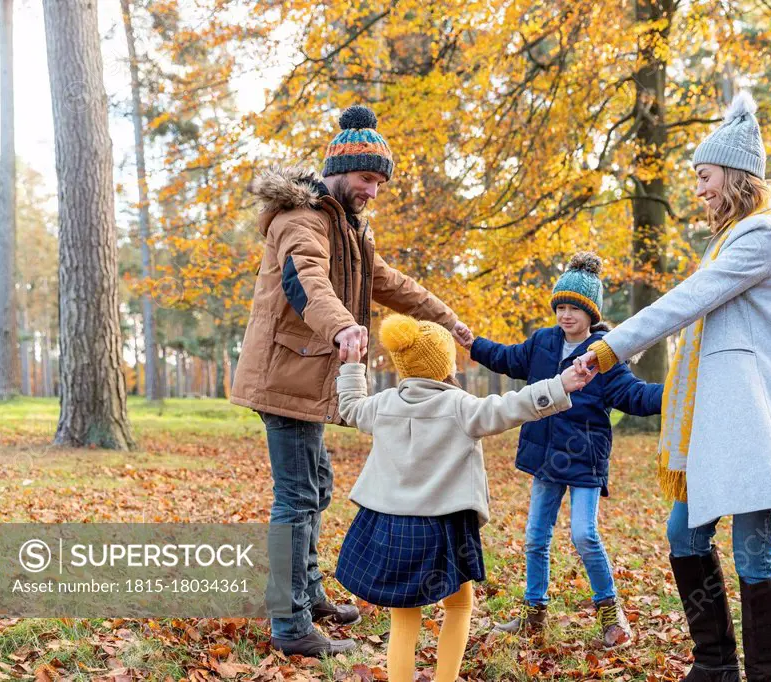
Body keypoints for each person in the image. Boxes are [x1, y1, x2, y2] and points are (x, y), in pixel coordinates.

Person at [576, 92, 771, 682]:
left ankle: (761, 674)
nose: (698, 190)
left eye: (705, 177)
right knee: (683, 531)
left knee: (752, 549)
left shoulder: (765, 235)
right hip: (726, 428)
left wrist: (608, 347)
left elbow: (689, 300)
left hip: (761, 425)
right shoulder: (731, 238)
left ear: (735, 175)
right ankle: (715, 664)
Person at [230, 105, 473, 657]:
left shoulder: (350, 230)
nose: (374, 191)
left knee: (316, 489)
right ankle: (290, 625)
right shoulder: (304, 220)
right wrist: (343, 327)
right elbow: (305, 279)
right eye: (368, 178)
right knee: (296, 498)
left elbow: (392, 283)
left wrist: (446, 318)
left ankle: (309, 596)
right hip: (285, 373)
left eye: (381, 182)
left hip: (306, 375)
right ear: (340, 170)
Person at [333, 314, 595, 681]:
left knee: (403, 616)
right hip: (443, 526)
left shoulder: (384, 404)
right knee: (458, 605)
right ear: (444, 365)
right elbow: (511, 407)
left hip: (391, 526)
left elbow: (349, 407)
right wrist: (560, 385)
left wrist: (351, 365)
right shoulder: (459, 406)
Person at [468, 252, 663, 648]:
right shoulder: (543, 342)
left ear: (591, 312)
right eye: (561, 306)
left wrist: (677, 394)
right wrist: (472, 343)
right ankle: (532, 614)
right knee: (535, 537)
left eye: (575, 308)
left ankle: (612, 616)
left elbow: (634, 395)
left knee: (584, 534)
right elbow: (507, 358)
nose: (565, 315)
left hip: (585, 459)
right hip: (545, 459)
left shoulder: (605, 354)